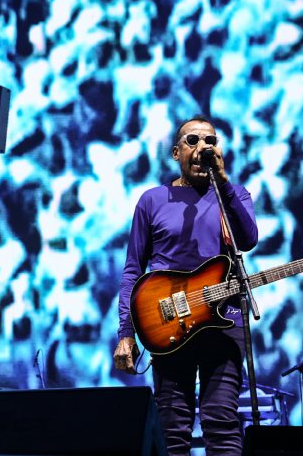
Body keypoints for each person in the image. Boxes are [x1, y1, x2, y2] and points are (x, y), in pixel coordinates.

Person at [113, 115, 259, 455]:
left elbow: (248, 240)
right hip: (167, 323)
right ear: (176, 153)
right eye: (193, 141)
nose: (203, 147)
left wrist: (222, 183)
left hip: (224, 324)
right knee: (172, 426)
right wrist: (126, 333)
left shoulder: (234, 195)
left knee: (221, 420)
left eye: (211, 141)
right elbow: (133, 268)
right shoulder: (153, 200)